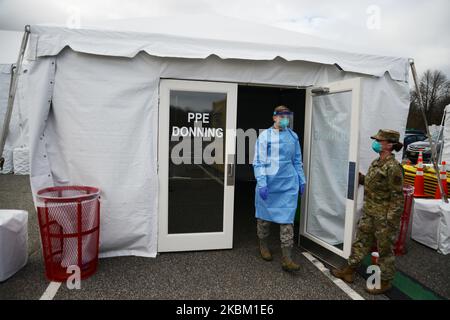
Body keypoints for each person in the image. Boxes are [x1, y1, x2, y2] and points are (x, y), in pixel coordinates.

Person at [331, 129, 405, 294]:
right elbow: (374, 183)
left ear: (389, 144)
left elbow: (398, 197)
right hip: (370, 213)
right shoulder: (377, 162)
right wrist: (361, 177)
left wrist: (390, 221)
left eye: (379, 140)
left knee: (385, 249)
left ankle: (385, 281)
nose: (376, 143)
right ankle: (349, 270)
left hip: (384, 217)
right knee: (361, 241)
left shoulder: (393, 168)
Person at [253, 105, 306, 272]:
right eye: (281, 116)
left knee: (287, 221)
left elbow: (297, 160)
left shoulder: (293, 137)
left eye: (287, 116)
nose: (285, 119)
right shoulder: (265, 136)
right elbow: (258, 162)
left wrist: (301, 180)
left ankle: (287, 258)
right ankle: (263, 246)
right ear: (274, 117)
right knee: (264, 219)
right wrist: (262, 183)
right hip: (269, 183)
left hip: (288, 184)